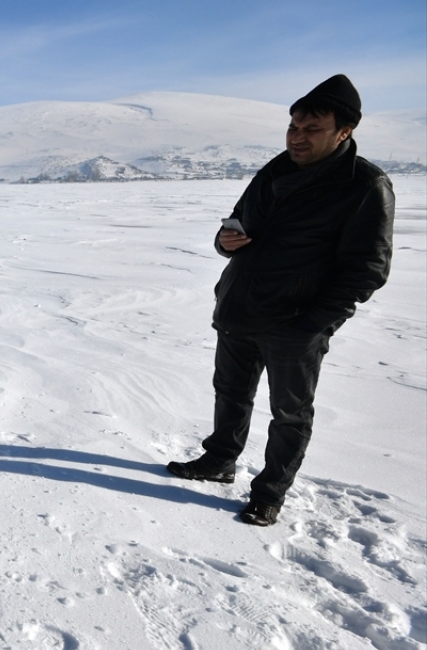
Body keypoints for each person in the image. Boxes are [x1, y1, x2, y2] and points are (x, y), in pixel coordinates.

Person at [167, 75, 394, 526]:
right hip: (240, 308)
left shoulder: (365, 185)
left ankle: (269, 492)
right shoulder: (274, 169)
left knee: (289, 414)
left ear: (344, 132)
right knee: (230, 394)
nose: (297, 137)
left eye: (312, 129)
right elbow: (235, 223)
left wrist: (312, 323)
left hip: (295, 322)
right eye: (293, 127)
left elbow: (368, 269)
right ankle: (219, 460)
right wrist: (224, 241)